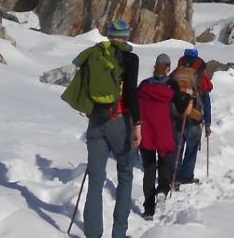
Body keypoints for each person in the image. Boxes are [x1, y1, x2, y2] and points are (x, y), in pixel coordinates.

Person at [65, 20, 141, 238]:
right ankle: (118, 233)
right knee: (125, 175)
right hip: (120, 121)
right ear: (126, 36)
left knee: (96, 180)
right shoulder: (130, 58)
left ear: (109, 35)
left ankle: (93, 233)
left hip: (96, 122)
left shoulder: (94, 55)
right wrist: (137, 124)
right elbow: (131, 94)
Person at [136, 54, 178, 219]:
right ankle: (162, 188)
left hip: (146, 132)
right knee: (165, 162)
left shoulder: (144, 84)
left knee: (149, 170)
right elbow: (180, 107)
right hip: (164, 131)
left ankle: (148, 209)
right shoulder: (171, 85)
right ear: (168, 67)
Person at [172, 48, 213, 187]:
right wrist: (208, 123)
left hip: (177, 115)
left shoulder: (176, 73)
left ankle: (174, 176)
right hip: (195, 116)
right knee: (192, 147)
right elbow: (206, 100)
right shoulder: (200, 77)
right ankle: (186, 176)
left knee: (177, 147)